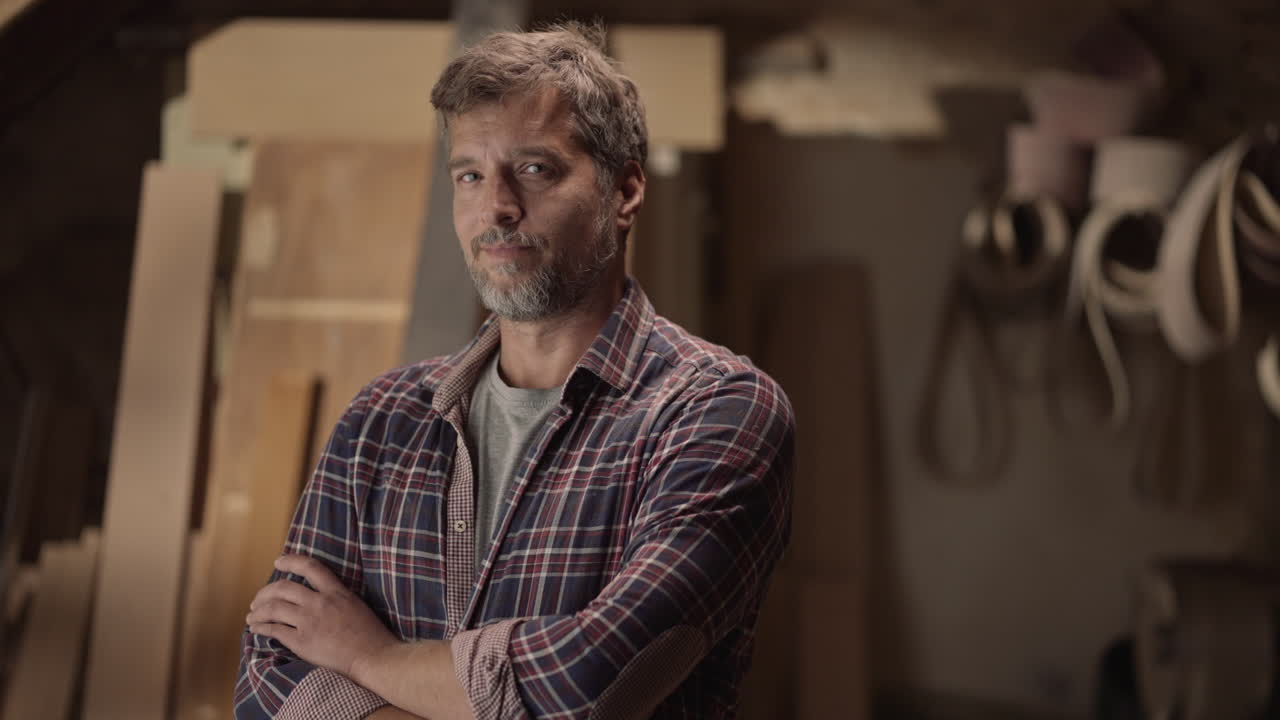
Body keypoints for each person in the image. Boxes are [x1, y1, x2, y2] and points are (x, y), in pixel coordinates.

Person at [234, 21, 795, 720]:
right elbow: (268, 681)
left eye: (534, 169)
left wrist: (367, 657)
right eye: (470, 175)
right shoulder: (382, 420)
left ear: (625, 191)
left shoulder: (716, 413)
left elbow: (590, 687)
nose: (495, 207)